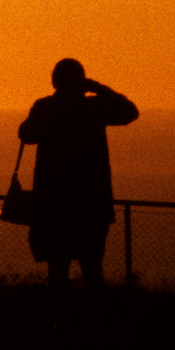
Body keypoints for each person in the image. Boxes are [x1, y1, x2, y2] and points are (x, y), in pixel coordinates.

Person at [18, 59, 138, 325]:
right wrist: (99, 88)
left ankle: (59, 323)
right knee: (92, 267)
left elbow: (25, 134)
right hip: (91, 203)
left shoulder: (46, 108)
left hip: (54, 203)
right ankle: (95, 323)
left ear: (55, 81)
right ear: (81, 82)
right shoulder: (94, 108)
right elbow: (130, 112)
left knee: (57, 268)